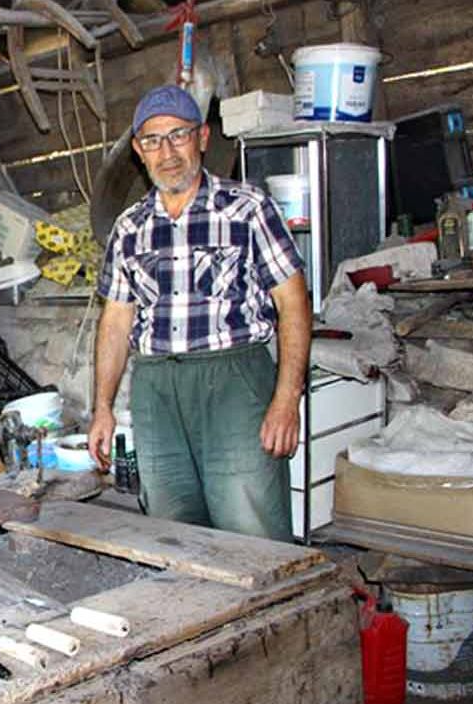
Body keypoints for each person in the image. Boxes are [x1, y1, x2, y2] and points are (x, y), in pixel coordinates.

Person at [85, 85, 312, 541]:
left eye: (178, 135)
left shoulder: (248, 209)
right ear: (138, 151)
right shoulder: (129, 228)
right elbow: (115, 322)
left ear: (202, 138)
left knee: (250, 526)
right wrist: (102, 408)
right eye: (153, 141)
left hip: (233, 381)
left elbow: (294, 304)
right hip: (155, 390)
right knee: (172, 527)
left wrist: (287, 399)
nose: (167, 152)